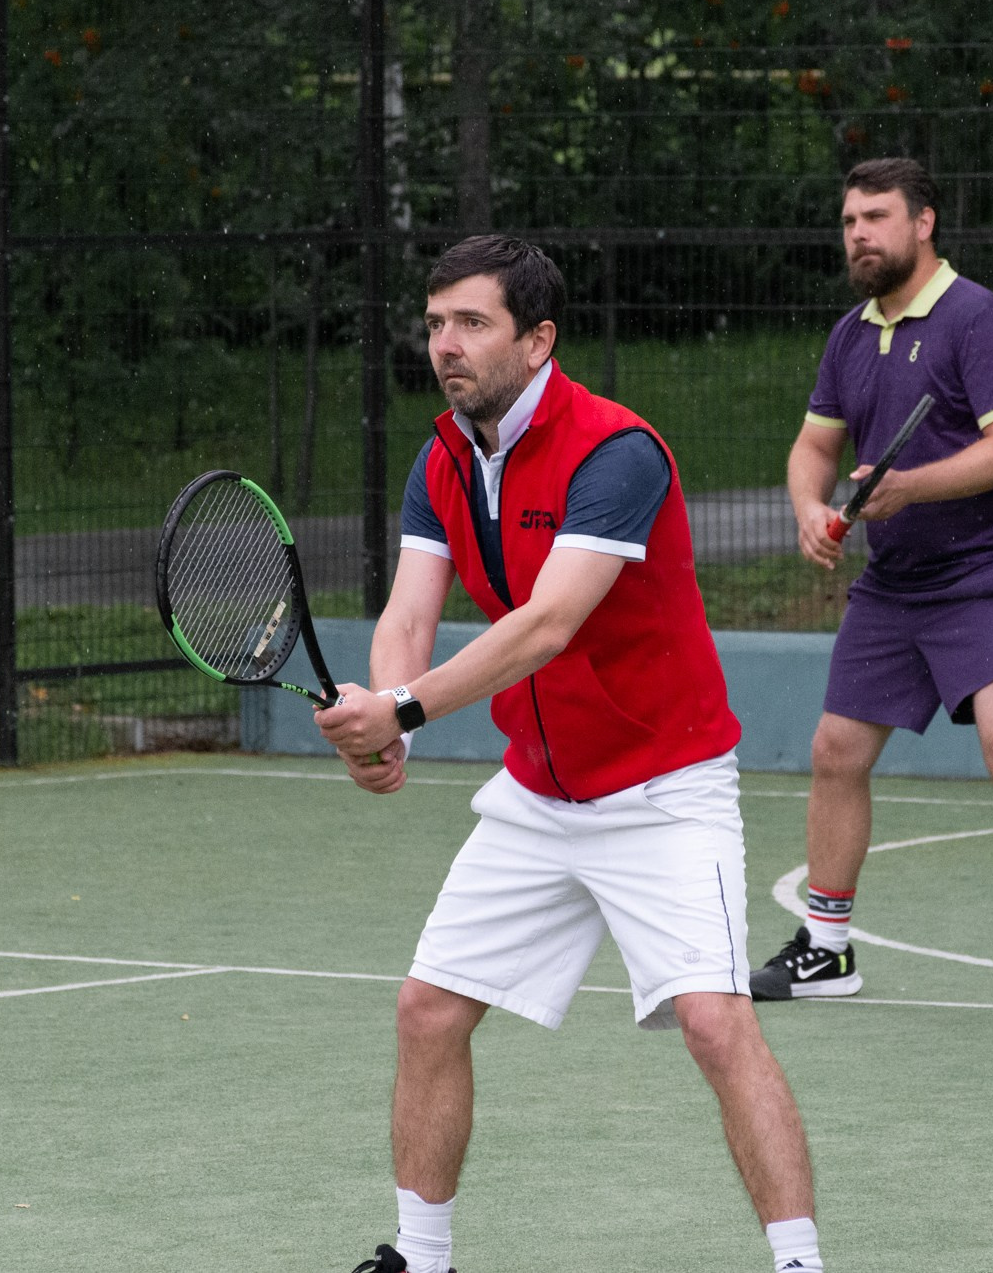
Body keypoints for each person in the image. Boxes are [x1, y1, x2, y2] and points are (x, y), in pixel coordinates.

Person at [316, 235, 826, 1273]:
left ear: (536, 338)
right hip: (539, 793)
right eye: (432, 324)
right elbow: (410, 608)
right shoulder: (443, 455)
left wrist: (405, 713)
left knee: (715, 1024)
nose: (444, 346)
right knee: (426, 1010)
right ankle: (422, 1258)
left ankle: (799, 1264)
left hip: (663, 788)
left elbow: (548, 623)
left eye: (470, 324)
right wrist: (378, 696)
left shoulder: (616, 451)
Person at [749, 157, 993, 1017]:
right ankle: (827, 947)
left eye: (876, 216)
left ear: (923, 222)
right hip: (895, 581)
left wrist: (909, 486)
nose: (859, 233)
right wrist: (808, 507)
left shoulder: (977, 320)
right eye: (848, 221)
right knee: (835, 751)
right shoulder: (849, 336)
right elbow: (814, 447)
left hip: (991, 573)